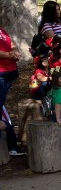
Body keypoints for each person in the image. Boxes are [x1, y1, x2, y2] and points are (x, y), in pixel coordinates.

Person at [0, 25, 25, 156]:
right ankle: (12, 146)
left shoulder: (2, 30)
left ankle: (12, 147)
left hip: (9, 73)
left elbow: (11, 43)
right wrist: (9, 55)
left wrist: (15, 51)